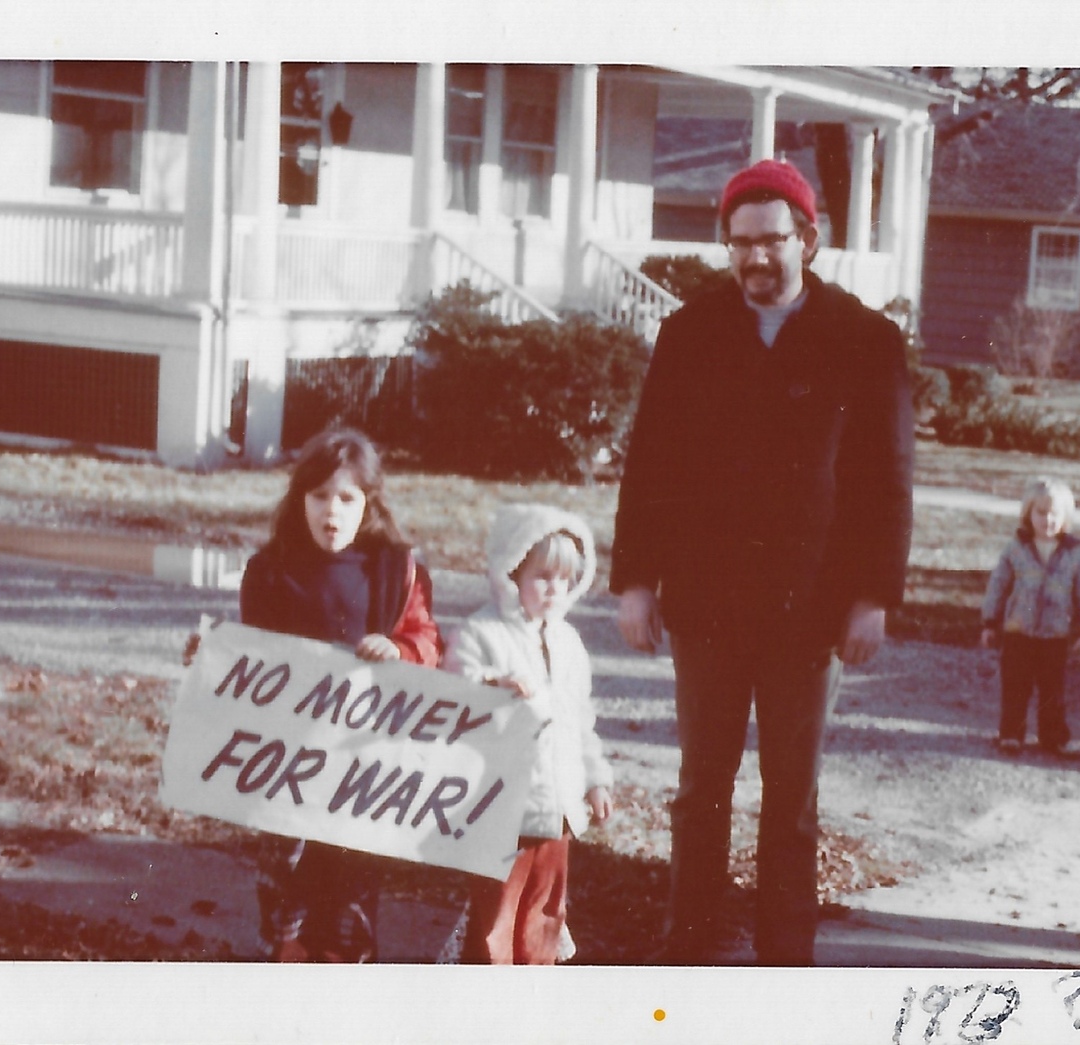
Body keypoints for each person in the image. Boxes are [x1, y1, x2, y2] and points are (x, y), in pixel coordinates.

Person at [611, 159, 915, 965]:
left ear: (807, 240)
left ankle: (786, 962)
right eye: (739, 243)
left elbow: (889, 482)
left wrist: (872, 596)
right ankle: (690, 951)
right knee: (698, 792)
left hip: (807, 612)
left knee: (791, 803)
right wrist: (637, 581)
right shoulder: (692, 333)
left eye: (772, 240)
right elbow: (651, 467)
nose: (755, 258)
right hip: (706, 607)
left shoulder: (863, 339)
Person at [237, 427, 442, 962]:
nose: (332, 511)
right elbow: (248, 659)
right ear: (299, 498)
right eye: (319, 496)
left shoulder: (394, 570)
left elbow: (428, 641)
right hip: (287, 765)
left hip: (360, 766)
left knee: (350, 888)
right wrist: (214, 657)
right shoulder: (272, 569)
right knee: (287, 887)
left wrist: (399, 649)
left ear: (368, 504)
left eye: (347, 498)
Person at [442, 503, 614, 964]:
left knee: (546, 912)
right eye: (542, 575)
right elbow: (451, 701)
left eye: (565, 578)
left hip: (557, 807)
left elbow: (581, 719)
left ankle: (535, 990)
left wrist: (595, 780)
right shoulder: (480, 634)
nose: (554, 588)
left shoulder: (568, 643)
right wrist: (489, 690)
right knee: (496, 914)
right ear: (510, 571)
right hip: (500, 807)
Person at [980, 477, 1080, 756]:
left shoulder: (1076, 553)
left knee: (1052, 690)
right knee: (1015, 687)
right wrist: (990, 622)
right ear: (1028, 514)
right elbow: (998, 585)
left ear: (1066, 517)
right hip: (1018, 631)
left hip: (1055, 634)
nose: (1048, 520)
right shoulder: (1016, 548)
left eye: (1054, 514)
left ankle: (1053, 736)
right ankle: (1011, 734)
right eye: (1041, 513)